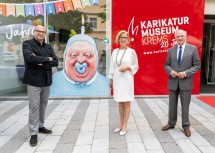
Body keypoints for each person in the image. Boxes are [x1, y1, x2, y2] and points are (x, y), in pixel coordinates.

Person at [22, 25, 58, 146]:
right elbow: (30, 58)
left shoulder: (48, 46)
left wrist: (41, 61)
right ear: (34, 32)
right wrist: (47, 59)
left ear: (45, 33)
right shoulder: (27, 44)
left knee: (43, 104)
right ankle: (33, 133)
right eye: (38, 31)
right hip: (33, 81)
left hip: (46, 80)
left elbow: (56, 61)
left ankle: (40, 126)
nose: (40, 33)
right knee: (34, 106)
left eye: (42, 32)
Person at [162, 29, 201, 137]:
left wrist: (186, 73)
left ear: (186, 36)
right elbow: (166, 65)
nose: (180, 38)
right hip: (173, 81)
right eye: (178, 36)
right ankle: (171, 123)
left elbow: (197, 65)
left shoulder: (193, 49)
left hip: (186, 81)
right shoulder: (171, 50)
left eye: (182, 36)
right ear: (175, 37)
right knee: (172, 104)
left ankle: (186, 126)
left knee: (185, 105)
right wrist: (171, 72)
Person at [109, 30, 139, 136]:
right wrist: (111, 79)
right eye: (121, 37)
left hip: (127, 79)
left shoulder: (132, 52)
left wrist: (128, 67)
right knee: (120, 102)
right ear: (118, 38)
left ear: (128, 39)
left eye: (125, 37)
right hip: (117, 79)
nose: (123, 39)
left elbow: (136, 66)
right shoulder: (114, 51)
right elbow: (112, 66)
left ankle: (125, 125)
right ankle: (120, 123)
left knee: (126, 102)